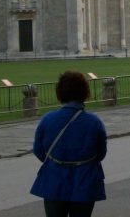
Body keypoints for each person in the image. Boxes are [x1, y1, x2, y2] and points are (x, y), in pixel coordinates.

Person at [30, 71, 107, 217]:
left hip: (54, 179)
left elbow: (38, 150)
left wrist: (57, 163)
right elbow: (101, 153)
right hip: (84, 180)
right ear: (84, 92)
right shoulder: (94, 122)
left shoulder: (48, 119)